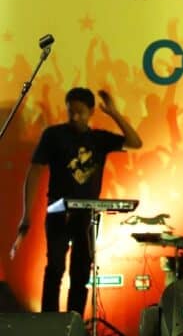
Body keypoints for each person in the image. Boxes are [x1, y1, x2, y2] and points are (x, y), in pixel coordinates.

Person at [10, 87, 142, 315]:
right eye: (71, 111)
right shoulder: (54, 135)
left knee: (81, 272)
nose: (75, 117)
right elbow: (35, 171)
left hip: (87, 215)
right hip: (58, 210)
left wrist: (113, 113)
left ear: (91, 112)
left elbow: (135, 142)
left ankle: (75, 322)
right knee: (55, 268)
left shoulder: (99, 139)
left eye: (80, 112)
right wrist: (26, 213)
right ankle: (50, 323)